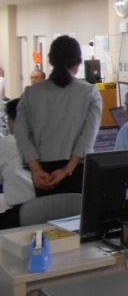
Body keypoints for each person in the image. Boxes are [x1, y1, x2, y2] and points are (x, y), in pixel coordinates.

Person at [15, 35, 102, 196]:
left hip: (42, 171)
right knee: (75, 211)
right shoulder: (90, 92)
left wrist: (36, 170)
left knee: (45, 211)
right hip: (77, 168)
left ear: (50, 60)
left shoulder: (31, 93)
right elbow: (87, 138)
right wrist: (66, 171)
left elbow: (21, 135)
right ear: (78, 63)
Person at [0, 99, 37, 229]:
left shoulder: (7, 143)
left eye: (9, 119)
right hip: (58, 210)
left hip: (22, 214)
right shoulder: (50, 141)